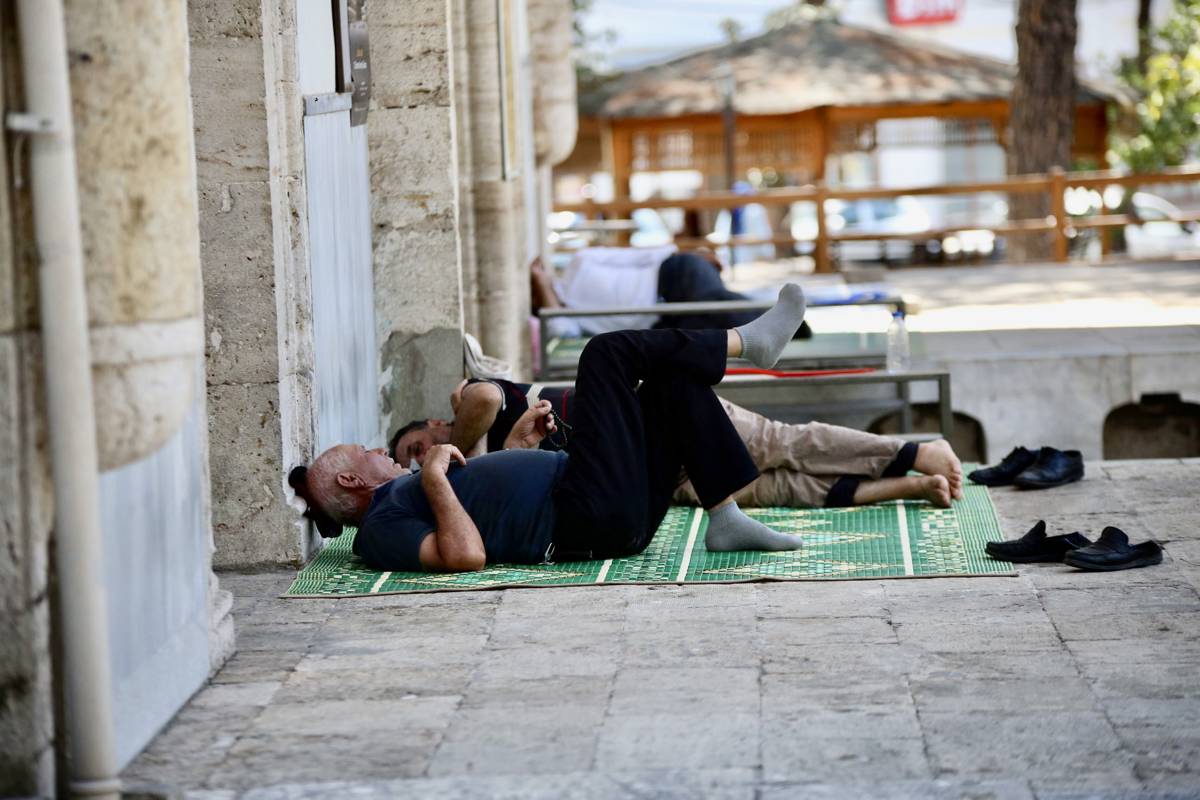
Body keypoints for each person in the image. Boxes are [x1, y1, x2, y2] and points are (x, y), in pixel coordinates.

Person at [290, 286, 821, 572]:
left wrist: (519, 445)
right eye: (364, 450)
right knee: (605, 353)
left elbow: (485, 507)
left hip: (601, 504)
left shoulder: (403, 497)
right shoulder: (381, 529)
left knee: (668, 377)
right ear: (351, 482)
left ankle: (725, 515)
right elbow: (466, 555)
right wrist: (432, 476)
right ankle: (746, 344)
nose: (378, 448)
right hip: (584, 519)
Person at [390, 379, 963, 511]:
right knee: (779, 491)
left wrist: (457, 454)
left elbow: (482, 398)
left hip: (663, 418)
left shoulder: (478, 404)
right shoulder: (485, 469)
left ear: (437, 423)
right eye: (411, 464)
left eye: (416, 447)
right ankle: (908, 485)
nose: (423, 460)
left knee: (784, 444)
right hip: (653, 477)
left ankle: (915, 451)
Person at [533, 249, 811, 339]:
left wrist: (692, 254)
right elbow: (557, 329)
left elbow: (641, 256)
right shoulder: (569, 317)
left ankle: (784, 322)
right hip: (665, 318)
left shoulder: (580, 262)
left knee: (710, 302)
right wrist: (543, 286)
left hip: (672, 275)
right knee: (705, 326)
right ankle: (776, 325)